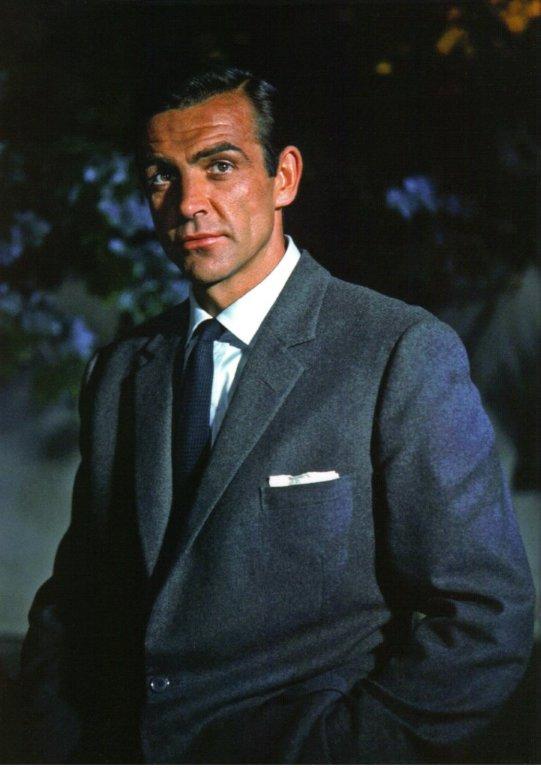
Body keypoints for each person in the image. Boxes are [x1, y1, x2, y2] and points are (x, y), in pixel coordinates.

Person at [19, 67, 534, 764]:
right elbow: (76, 605)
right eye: (162, 176)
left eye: (220, 166)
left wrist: (342, 751)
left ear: (283, 177)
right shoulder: (120, 372)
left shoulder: (396, 352)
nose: (189, 204)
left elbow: (483, 617)